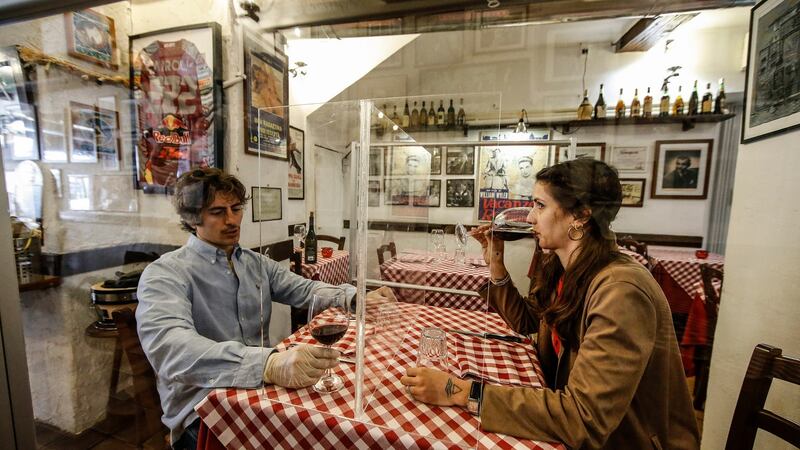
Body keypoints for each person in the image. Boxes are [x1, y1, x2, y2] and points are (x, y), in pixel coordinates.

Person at [401, 159, 700, 449]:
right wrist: (495, 264)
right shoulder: (565, 268)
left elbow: (584, 419)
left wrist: (461, 391)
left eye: (540, 205)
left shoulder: (621, 290)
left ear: (580, 216)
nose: (530, 217)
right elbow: (528, 322)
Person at [136, 168, 392, 449]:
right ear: (192, 217)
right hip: (203, 408)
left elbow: (305, 289)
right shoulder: (165, 273)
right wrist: (268, 364)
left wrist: (354, 298)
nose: (232, 220)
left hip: (260, 392)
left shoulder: (255, 263)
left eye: (236, 208)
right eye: (218, 211)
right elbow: (170, 348)